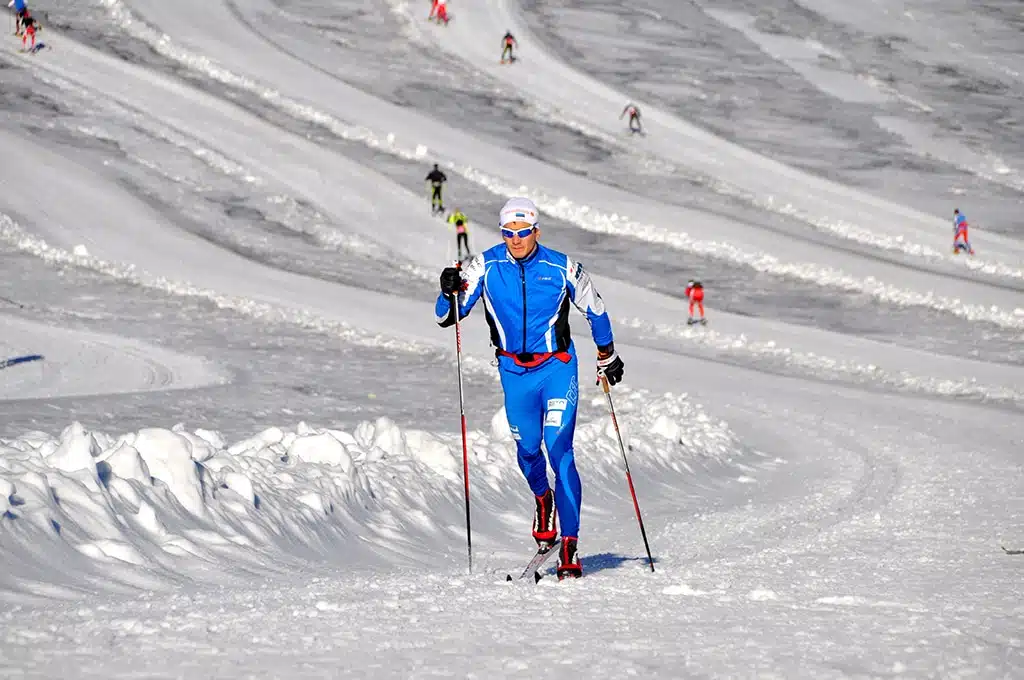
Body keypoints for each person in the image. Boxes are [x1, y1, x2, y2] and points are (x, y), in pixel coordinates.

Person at [435, 197, 625, 580]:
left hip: (557, 368)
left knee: (560, 449)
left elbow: (596, 308)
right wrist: (448, 289)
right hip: (513, 372)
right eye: (509, 233)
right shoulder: (484, 265)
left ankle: (569, 544)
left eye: (523, 233)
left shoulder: (561, 267)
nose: (516, 240)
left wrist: (607, 354)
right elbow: (446, 315)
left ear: (536, 231)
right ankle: (544, 498)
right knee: (527, 451)